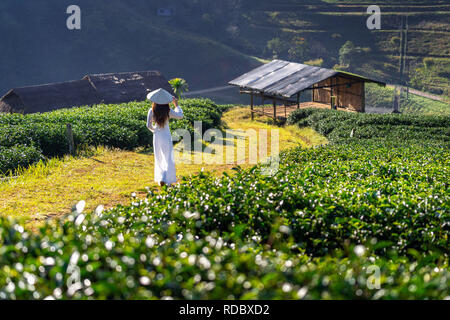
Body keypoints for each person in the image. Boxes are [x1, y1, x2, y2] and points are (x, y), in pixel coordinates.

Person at [146, 88, 184, 186]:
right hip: (166, 135)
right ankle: (168, 180)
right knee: (168, 157)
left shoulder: (152, 110)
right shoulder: (168, 110)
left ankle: (161, 178)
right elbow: (180, 116)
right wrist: (176, 105)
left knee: (159, 157)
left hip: (157, 136)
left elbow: (148, 125)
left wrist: (155, 130)